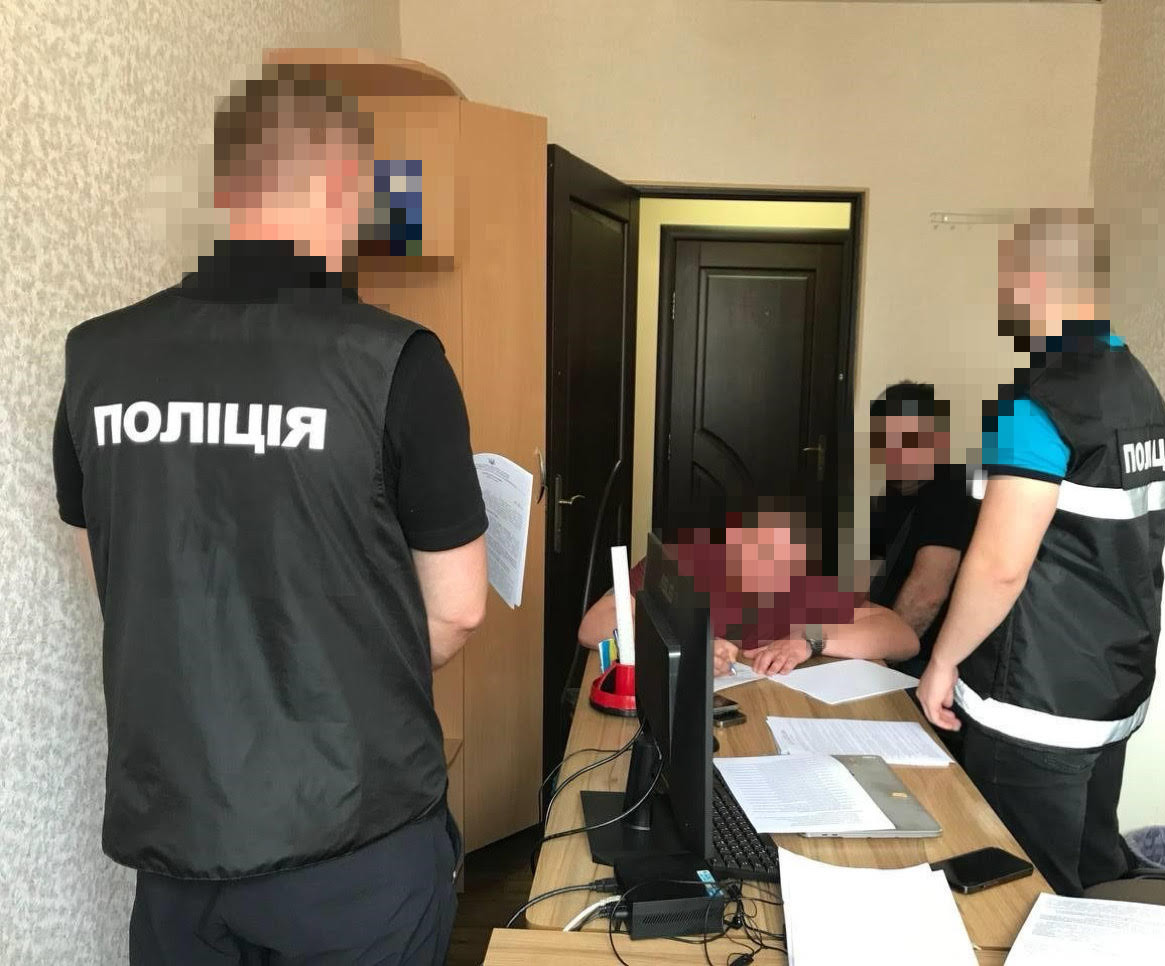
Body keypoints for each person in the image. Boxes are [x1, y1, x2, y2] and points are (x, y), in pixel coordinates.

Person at [52, 66, 487, 965]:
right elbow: (456, 611)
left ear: (226, 188)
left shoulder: (98, 359)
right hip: (355, 839)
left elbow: (115, 577)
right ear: (346, 188)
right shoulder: (395, 360)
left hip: (179, 836)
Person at [916, 209, 1165, 897]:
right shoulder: (1142, 392)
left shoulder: (1036, 402)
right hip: (1112, 690)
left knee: (1019, 894)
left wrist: (942, 662)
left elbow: (999, 564)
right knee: (1090, 880)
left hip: (1031, 703)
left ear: (1036, 282)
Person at [577, 506, 919, 677]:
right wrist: (690, 645)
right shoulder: (681, 562)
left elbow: (903, 636)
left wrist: (810, 640)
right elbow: (593, 626)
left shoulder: (805, 584)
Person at [868, 382, 978, 677]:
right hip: (889, 640)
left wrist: (879, 656)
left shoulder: (951, 491)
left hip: (925, 660)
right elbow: (868, 568)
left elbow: (928, 594)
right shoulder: (895, 492)